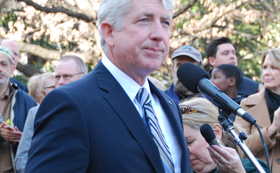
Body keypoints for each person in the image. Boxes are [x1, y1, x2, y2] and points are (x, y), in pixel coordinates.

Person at [24, 0, 191, 172]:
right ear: (109, 32)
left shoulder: (168, 105)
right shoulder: (71, 104)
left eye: (165, 22)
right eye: (145, 20)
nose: (159, 34)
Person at [14, 56, 87, 173]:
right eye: (57, 77)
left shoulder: (93, 110)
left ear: (84, 77)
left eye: (67, 76)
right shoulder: (36, 113)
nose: (61, 82)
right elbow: (21, 158)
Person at [179, 97, 268, 173]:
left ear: (216, 132)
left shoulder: (253, 168)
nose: (185, 151)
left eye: (189, 142)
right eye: (179, 145)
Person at [236, 48, 280, 173]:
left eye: (273, 68)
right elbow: (239, 147)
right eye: (265, 67)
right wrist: (272, 128)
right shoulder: (248, 104)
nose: (266, 72)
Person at [0, 46, 36, 173]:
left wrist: (22, 138)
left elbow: (39, 137)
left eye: (3, 64)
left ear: (12, 69)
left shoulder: (27, 101)